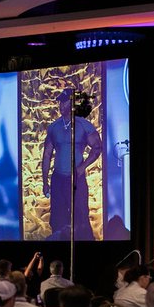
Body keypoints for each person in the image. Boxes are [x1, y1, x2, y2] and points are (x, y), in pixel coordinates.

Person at [41, 90, 102, 240]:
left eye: (65, 101)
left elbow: (97, 147)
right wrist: (45, 182)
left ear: (72, 103)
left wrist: (82, 167)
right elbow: (47, 154)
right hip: (58, 179)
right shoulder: (54, 127)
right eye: (60, 102)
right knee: (58, 219)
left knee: (80, 217)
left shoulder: (83, 125)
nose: (61, 105)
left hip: (76, 180)